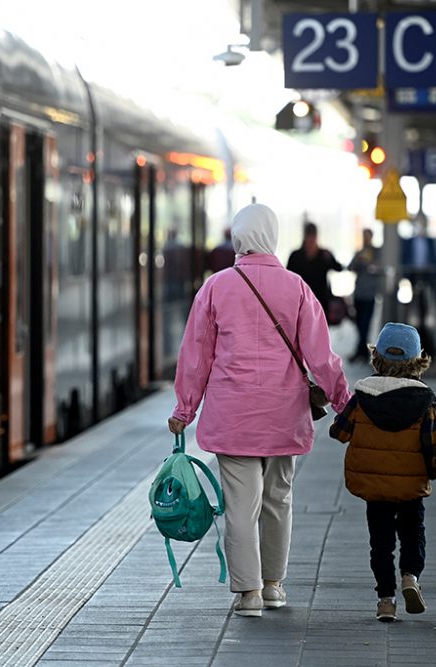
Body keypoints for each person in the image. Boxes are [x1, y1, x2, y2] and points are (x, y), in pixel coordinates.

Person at [168, 203, 351, 618]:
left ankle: (247, 593)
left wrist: (185, 409)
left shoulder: (215, 288)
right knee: (278, 499)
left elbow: (195, 356)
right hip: (283, 416)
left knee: (240, 506)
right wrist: (343, 403)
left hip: (232, 418)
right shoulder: (297, 287)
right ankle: (273, 586)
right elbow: (322, 358)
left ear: (238, 237)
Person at [329, 323, 436, 622]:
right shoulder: (425, 400)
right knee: (413, 534)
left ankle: (386, 600)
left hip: (374, 486)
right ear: (418, 361)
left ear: (376, 357)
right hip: (410, 487)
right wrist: (433, 472)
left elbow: (339, 432)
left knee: (381, 543)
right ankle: (410, 577)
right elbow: (431, 445)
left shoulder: (363, 396)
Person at [287, 222, 343, 324]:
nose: (311, 239)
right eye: (309, 236)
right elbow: (288, 278)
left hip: (321, 302)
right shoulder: (296, 256)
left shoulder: (324, 255)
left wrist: (330, 258)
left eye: (313, 236)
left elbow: (339, 268)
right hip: (301, 302)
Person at [347, 229, 381, 363]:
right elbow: (350, 268)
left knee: (365, 324)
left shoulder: (377, 253)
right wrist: (358, 261)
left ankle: (361, 351)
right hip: (359, 293)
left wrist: (370, 265)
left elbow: (380, 268)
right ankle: (362, 351)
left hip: (370, 293)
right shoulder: (359, 252)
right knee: (359, 324)